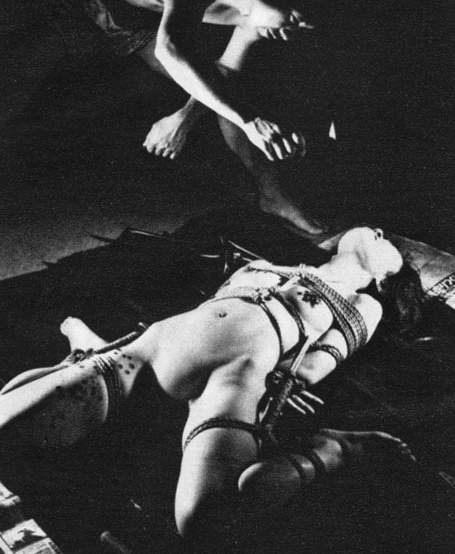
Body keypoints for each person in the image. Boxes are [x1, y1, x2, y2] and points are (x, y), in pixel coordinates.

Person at [0, 227, 420, 551]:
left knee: (206, 524)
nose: (378, 232)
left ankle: (335, 449)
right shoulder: (263, 266)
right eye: (377, 230)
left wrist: (285, 383)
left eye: (386, 241)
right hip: (148, 354)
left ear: (385, 279)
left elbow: (311, 368)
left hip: (230, 385)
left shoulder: (365, 304)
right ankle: (87, 352)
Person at [1, 0, 325, 234]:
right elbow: (169, 50)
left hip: (142, 17)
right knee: (16, 80)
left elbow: (225, 73)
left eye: (300, 26)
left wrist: (184, 118)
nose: (289, 30)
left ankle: (273, 197)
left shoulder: (266, 13)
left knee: (235, 99)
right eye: (292, 18)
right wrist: (251, 121)